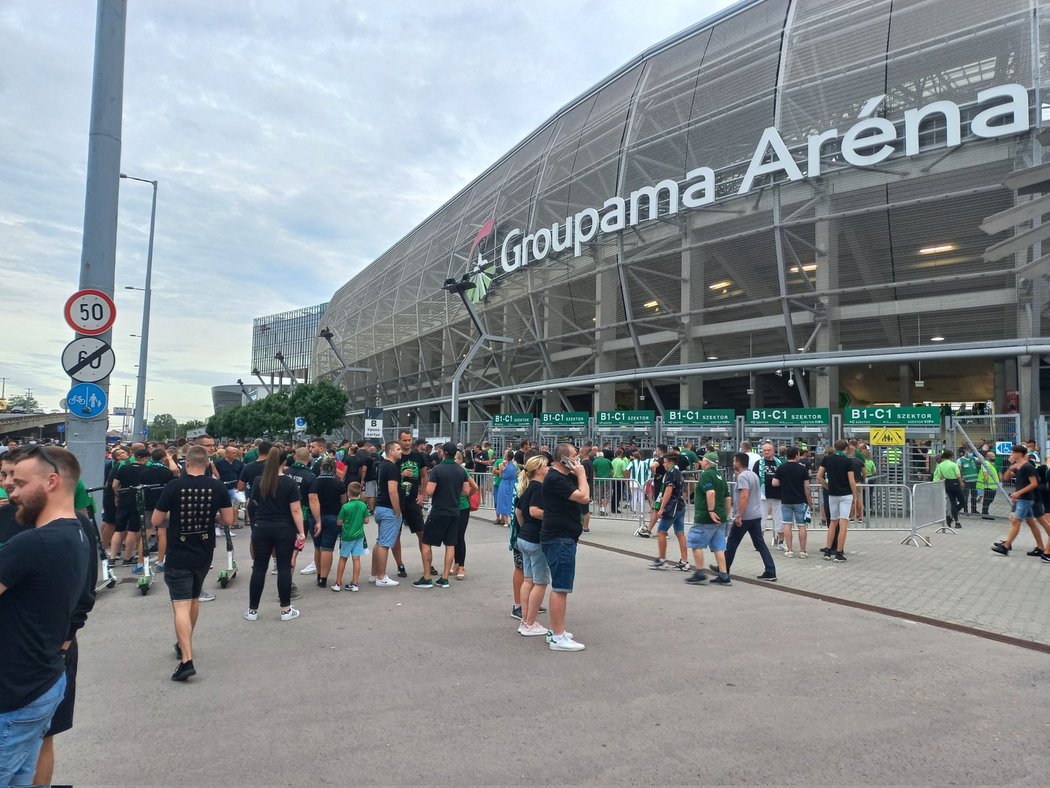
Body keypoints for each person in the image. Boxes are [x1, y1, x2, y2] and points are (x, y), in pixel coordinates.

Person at [0, 446, 91, 785]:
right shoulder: (78, 531)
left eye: (20, 483)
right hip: (42, 683)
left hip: (15, 692)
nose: (12, 491)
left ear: (51, 481)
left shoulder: (34, 543)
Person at [152, 446, 233, 681]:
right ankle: (183, 642)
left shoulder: (174, 486)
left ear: (186, 464)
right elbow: (228, 519)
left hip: (179, 550)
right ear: (208, 464)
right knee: (194, 598)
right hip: (204, 551)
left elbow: (157, 520)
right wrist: (210, 517)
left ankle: (186, 659)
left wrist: (174, 518)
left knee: (180, 604)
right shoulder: (217, 486)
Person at [245, 448, 306, 621]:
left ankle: (252, 610)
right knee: (284, 567)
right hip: (284, 528)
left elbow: (254, 501)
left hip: (262, 526)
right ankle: (285, 609)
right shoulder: (289, 483)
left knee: (259, 567)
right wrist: (301, 531)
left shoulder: (258, 481)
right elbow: (295, 509)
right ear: (284, 462)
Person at [540, 443, 590, 651]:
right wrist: (582, 474)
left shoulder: (559, 477)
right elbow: (584, 497)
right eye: (574, 457)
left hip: (562, 535)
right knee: (561, 587)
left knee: (561, 586)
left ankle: (555, 630)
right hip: (560, 537)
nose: (578, 460)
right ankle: (558, 637)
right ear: (564, 460)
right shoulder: (555, 478)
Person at [413, 443, 469, 589]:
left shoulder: (438, 469)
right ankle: (444, 578)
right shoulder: (460, 470)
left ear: (443, 453)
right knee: (450, 544)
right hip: (454, 511)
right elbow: (466, 491)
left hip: (439, 510)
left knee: (426, 541)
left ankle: (426, 577)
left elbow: (430, 491)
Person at [514, 454, 551, 636]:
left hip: (524, 537)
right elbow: (534, 511)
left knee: (528, 580)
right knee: (541, 582)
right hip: (536, 539)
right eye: (546, 466)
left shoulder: (527, 487)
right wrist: (554, 515)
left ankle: (525, 620)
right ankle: (530, 622)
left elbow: (518, 511)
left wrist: (524, 528)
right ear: (539, 469)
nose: (549, 468)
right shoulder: (540, 488)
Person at [725, 452, 777, 580]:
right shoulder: (753, 475)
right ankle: (770, 570)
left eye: (734, 461)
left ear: (738, 462)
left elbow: (744, 496)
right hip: (756, 514)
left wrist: (739, 515)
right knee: (759, 543)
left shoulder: (742, 477)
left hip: (745, 516)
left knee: (732, 542)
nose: (733, 463)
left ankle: (724, 568)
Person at [684, 452, 732, 586]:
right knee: (718, 547)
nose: (701, 462)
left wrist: (711, 511)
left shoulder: (706, 475)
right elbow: (728, 498)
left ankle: (699, 573)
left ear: (706, 462)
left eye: (702, 460)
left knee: (695, 542)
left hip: (706, 516)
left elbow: (710, 493)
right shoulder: (720, 477)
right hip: (721, 517)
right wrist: (725, 514)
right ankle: (723, 575)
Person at [991, 445, 1047, 557]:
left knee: (1016, 521)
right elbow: (1006, 478)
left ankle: (1006, 546)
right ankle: (1041, 547)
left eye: (1013, 452)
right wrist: (1011, 467)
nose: (1011, 454)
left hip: (1026, 498)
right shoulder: (1017, 466)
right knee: (1031, 523)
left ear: (1019, 454)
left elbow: (1034, 483)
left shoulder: (1027, 467)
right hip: (1022, 498)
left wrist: (1018, 493)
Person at [394, 433, 432, 579]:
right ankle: (400, 564)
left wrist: (422, 494)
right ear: (399, 441)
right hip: (398, 499)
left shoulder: (418, 456)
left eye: (409, 440)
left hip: (413, 500)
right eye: (404, 440)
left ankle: (427, 564)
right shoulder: (395, 456)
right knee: (395, 534)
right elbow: (389, 476)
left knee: (422, 533)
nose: (407, 443)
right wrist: (401, 474)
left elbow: (424, 476)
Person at [816, 440, 858, 562]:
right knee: (843, 522)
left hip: (832, 494)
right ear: (846, 448)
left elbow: (819, 476)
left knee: (832, 522)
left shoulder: (827, 459)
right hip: (845, 494)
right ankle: (839, 553)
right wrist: (855, 496)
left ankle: (828, 551)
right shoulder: (847, 461)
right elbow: (851, 481)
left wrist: (826, 486)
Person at [307, 458, 346, 588]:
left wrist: (317, 519)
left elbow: (312, 500)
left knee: (317, 547)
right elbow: (343, 502)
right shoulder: (338, 484)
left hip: (315, 518)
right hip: (333, 517)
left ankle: (318, 574)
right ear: (334, 469)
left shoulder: (314, 482)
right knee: (327, 548)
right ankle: (324, 578)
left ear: (321, 468)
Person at [368, 441, 402, 587]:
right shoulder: (392, 467)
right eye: (398, 449)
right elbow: (392, 490)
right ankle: (381, 577)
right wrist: (397, 510)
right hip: (388, 508)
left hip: (380, 507)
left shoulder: (381, 466)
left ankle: (374, 574)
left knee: (380, 542)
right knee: (384, 544)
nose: (401, 451)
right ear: (391, 451)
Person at [648, 453, 689, 571]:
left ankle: (662, 560)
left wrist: (661, 508)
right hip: (680, 506)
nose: (663, 464)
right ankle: (684, 561)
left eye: (665, 462)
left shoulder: (670, 473)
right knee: (680, 533)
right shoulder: (679, 472)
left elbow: (668, 491)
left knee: (661, 532)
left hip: (672, 507)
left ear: (671, 462)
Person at [775, 446, 811, 557]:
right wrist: (809, 500)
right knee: (801, 525)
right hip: (800, 500)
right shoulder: (802, 468)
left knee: (787, 524)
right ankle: (803, 551)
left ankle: (789, 550)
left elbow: (774, 483)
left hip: (786, 500)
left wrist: (784, 483)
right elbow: (807, 486)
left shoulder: (781, 468)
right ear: (797, 455)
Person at [333, 482, 369, 592]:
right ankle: (355, 583)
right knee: (356, 558)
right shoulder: (363, 505)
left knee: (343, 558)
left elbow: (339, 522)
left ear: (348, 493)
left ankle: (338, 583)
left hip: (347, 536)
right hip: (359, 535)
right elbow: (366, 521)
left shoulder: (345, 507)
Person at [451, 452, 479, 581]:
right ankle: (456, 563)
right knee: (453, 537)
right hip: (451, 507)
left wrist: (465, 495)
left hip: (462, 507)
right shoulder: (447, 470)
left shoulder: (463, 472)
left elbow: (474, 486)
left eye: (457, 458)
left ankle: (461, 565)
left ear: (461, 460)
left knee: (459, 536)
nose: (454, 460)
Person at [932, 449, 965, 529]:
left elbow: (940, 476)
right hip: (955, 483)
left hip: (947, 483)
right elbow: (958, 475)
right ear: (951, 456)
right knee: (962, 502)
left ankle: (956, 522)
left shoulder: (941, 465)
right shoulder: (953, 464)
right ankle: (951, 517)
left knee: (953, 502)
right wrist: (961, 483)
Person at [494, 449, 517, 528]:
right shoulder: (515, 464)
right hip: (513, 484)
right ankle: (512, 521)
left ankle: (506, 522)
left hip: (504, 483)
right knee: (512, 501)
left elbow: (500, 476)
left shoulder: (501, 464)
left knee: (503, 502)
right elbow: (516, 473)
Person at [978, 452, 1001, 520]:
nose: (994, 458)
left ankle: (985, 513)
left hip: (992, 486)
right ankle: (985, 514)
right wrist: (986, 484)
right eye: (992, 456)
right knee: (987, 500)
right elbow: (985, 474)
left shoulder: (990, 464)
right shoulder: (986, 464)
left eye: (994, 456)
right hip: (989, 486)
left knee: (989, 500)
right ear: (988, 457)